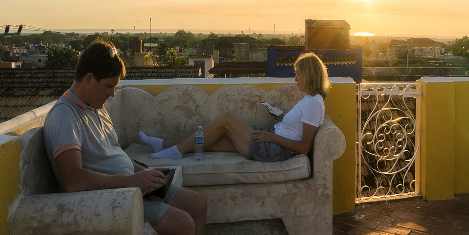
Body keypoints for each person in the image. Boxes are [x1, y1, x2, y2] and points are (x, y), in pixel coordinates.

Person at [43, 40, 236, 235]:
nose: (112, 94)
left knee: (198, 204)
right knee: (184, 225)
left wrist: (143, 171)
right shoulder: (64, 117)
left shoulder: (95, 107)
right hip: (117, 197)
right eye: (109, 87)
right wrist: (135, 181)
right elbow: (74, 180)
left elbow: (114, 154)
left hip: (134, 182)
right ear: (88, 79)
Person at [140, 52, 330, 162]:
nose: (295, 78)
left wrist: (270, 136)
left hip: (273, 148)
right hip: (271, 138)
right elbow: (295, 127)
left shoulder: (314, 103)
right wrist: (279, 116)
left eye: (298, 74)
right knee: (212, 140)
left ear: (310, 75)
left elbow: (304, 147)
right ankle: (162, 144)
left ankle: (175, 152)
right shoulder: (309, 98)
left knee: (226, 119)